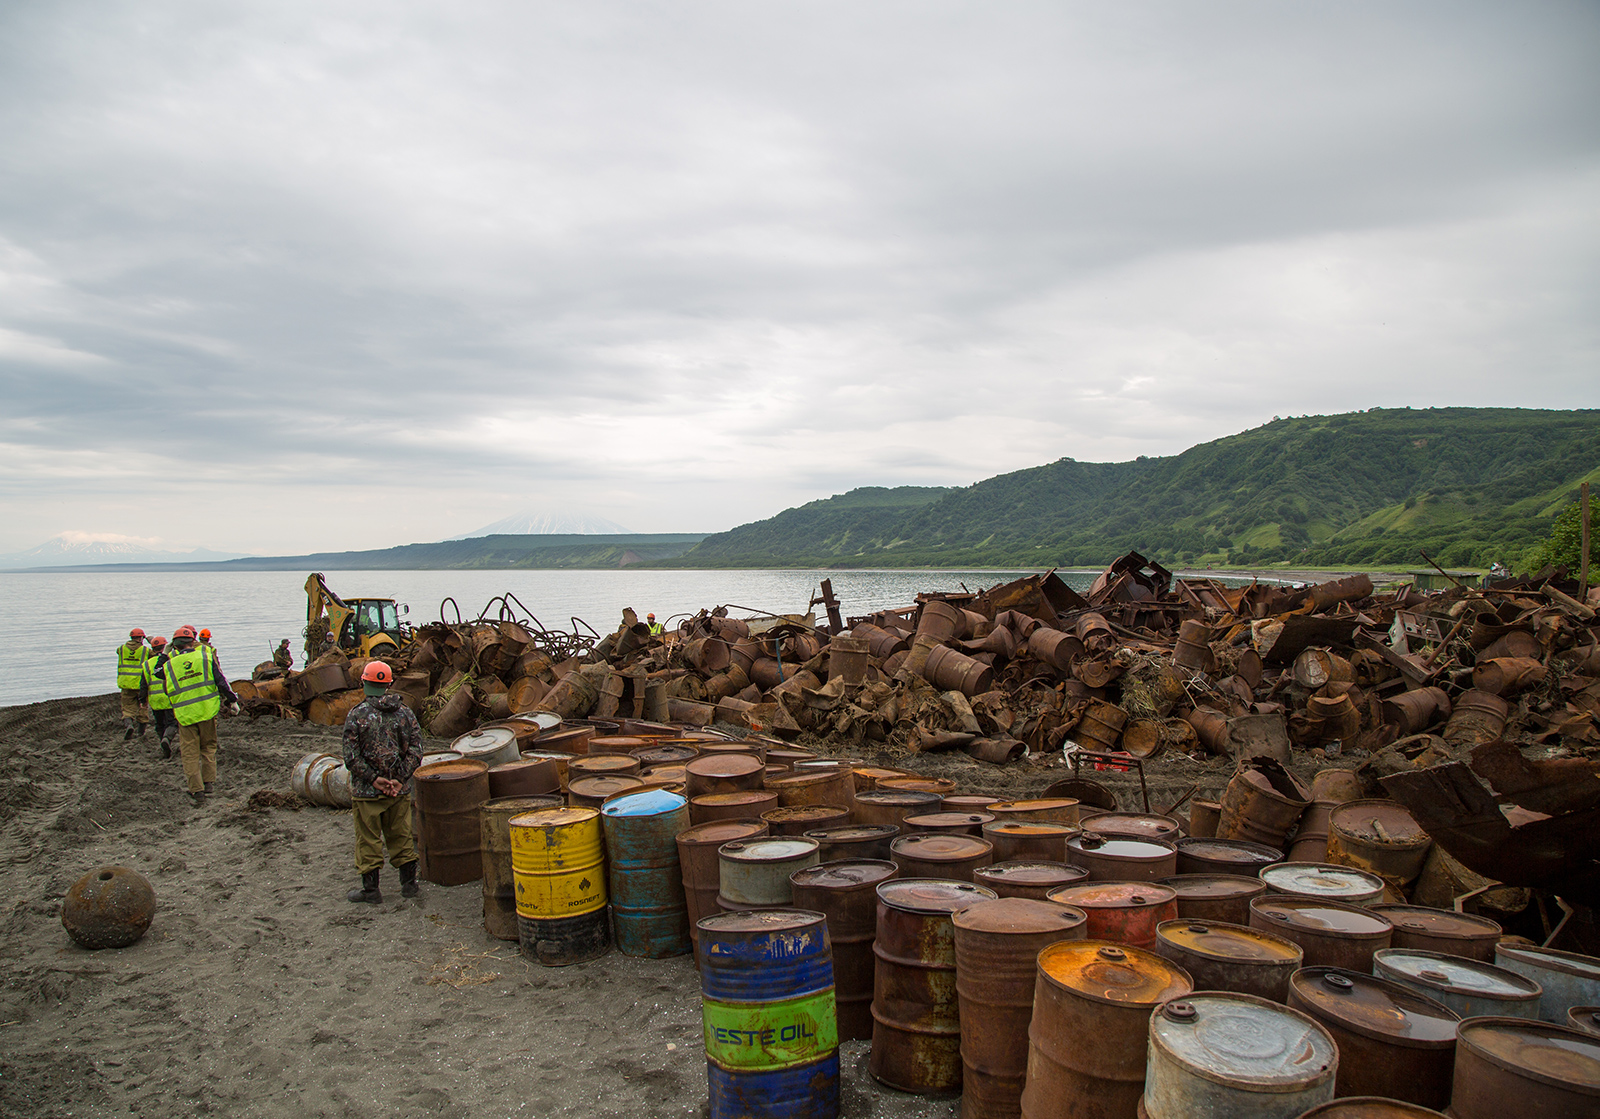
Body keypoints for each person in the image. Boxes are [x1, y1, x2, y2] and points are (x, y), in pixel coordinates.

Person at [341, 661, 423, 904]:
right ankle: (409, 886)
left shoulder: (357, 714)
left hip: (367, 791)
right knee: (401, 835)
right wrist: (398, 780)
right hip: (398, 790)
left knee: (367, 838)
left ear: (364, 683)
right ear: (388, 684)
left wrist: (374, 780)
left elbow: (350, 757)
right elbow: (416, 751)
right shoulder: (406, 713)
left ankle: (371, 890)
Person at [163, 624, 240, 806]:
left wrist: (164, 654)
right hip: (207, 711)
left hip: (185, 715)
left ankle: (197, 791)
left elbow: (163, 681)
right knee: (208, 748)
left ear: (175, 646)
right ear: (193, 641)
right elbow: (220, 680)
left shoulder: (169, 664)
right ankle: (209, 784)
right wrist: (231, 700)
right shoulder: (205, 656)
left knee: (189, 754)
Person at [140, 635, 178, 758]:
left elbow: (143, 684)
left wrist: (142, 700)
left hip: (155, 700)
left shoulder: (146, 664)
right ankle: (167, 739)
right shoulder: (171, 659)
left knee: (159, 724)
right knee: (172, 723)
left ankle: (163, 742)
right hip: (169, 697)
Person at [116, 628, 150, 740]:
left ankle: (129, 725)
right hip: (140, 685)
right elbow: (156, 654)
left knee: (127, 709)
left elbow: (118, 651)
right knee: (142, 708)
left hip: (126, 684)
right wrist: (151, 640)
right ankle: (141, 733)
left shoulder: (121, 649)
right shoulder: (145, 650)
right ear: (141, 638)